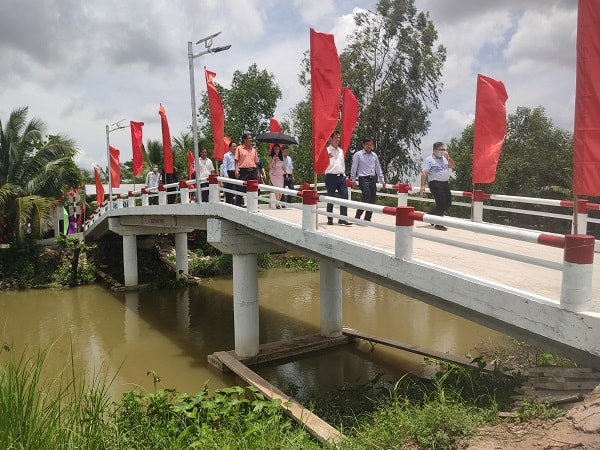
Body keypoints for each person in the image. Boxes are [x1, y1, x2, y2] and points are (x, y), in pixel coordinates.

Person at [420, 141, 456, 230]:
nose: (443, 151)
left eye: (444, 149)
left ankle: (430, 216)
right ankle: (438, 224)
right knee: (441, 203)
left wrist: (448, 158)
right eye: (441, 150)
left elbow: (453, 166)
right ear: (435, 150)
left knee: (448, 203)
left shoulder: (445, 158)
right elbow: (424, 173)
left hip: (445, 183)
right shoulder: (429, 160)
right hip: (435, 183)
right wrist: (422, 186)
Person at [351, 137, 386, 222]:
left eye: (370, 144)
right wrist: (353, 180)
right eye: (367, 144)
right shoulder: (358, 154)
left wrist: (382, 179)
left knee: (372, 199)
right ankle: (358, 215)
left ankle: (367, 218)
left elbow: (378, 168)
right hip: (363, 178)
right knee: (366, 196)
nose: (369, 146)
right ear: (363, 145)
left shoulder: (374, 155)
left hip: (373, 178)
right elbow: (354, 167)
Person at [324, 131, 352, 226]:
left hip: (341, 177)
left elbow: (342, 163)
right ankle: (330, 218)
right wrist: (325, 158)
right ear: (330, 139)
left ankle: (342, 218)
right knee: (331, 197)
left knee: (345, 196)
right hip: (330, 176)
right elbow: (321, 163)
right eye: (336, 137)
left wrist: (344, 175)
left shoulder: (341, 151)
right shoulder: (326, 150)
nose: (337, 139)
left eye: (339, 137)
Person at [234, 133, 259, 206]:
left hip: (253, 170)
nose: (251, 140)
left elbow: (256, 162)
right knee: (241, 188)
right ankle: (238, 203)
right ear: (244, 140)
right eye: (249, 138)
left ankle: (254, 205)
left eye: (251, 138)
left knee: (255, 187)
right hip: (244, 170)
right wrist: (236, 170)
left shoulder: (253, 150)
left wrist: (258, 172)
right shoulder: (239, 148)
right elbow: (236, 160)